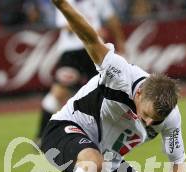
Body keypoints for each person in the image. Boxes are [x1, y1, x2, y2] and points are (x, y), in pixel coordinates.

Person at [20, 0, 186, 172]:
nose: (145, 122)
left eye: (153, 121)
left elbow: (179, 162)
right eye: (144, 114)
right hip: (64, 131)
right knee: (92, 163)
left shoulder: (169, 117)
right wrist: (62, 5)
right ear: (140, 92)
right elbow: (89, 35)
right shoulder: (119, 72)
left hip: (105, 156)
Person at [37, 0, 126, 140]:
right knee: (58, 93)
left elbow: (111, 19)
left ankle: (113, 132)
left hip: (94, 50)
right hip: (72, 53)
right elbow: (66, 25)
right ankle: (42, 136)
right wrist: (93, 31)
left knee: (105, 92)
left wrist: (120, 42)